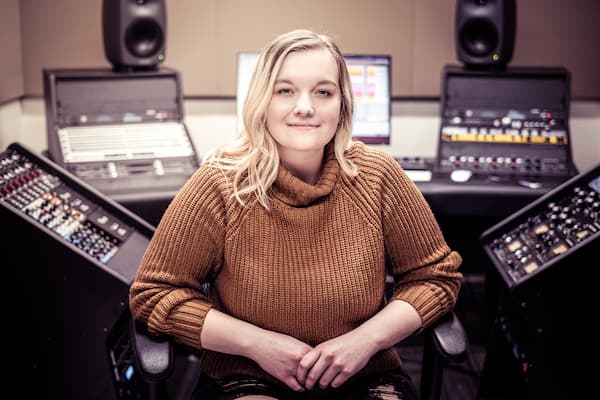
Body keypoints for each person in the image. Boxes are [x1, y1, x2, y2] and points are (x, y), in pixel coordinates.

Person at [129, 28, 463, 400]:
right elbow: (154, 293)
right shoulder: (220, 183)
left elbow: (436, 279)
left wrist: (364, 342)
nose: (305, 106)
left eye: (323, 91)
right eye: (285, 90)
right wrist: (257, 345)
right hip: (246, 376)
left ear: (342, 105)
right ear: (262, 101)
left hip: (364, 375)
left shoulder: (378, 174)